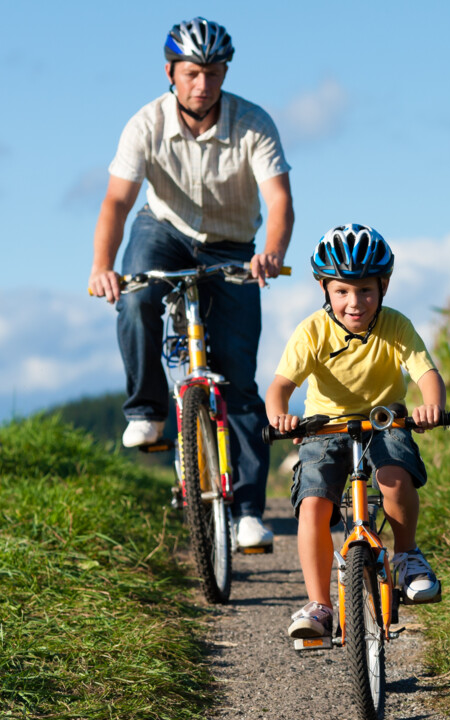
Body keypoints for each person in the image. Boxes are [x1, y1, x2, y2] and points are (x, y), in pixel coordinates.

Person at [87, 17, 293, 552]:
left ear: (225, 73)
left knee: (238, 379)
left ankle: (248, 512)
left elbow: (279, 201)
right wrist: (102, 265)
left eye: (214, 72)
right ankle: (148, 412)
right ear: (170, 73)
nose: (203, 84)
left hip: (232, 246)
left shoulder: (253, 123)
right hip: (163, 233)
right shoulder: (145, 124)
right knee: (135, 298)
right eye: (192, 73)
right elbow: (116, 202)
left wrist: (272, 252)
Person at [266, 224, 446, 638]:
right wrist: (280, 417)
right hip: (324, 428)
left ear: (384, 286)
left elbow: (427, 374)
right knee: (313, 504)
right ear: (324, 289)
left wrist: (432, 405)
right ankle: (319, 604)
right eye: (342, 291)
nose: (354, 302)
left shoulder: (396, 325)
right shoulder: (312, 331)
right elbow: (279, 388)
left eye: (365, 290)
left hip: (385, 421)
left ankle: (407, 556)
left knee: (394, 476)